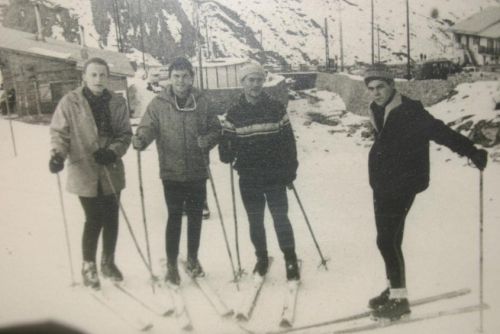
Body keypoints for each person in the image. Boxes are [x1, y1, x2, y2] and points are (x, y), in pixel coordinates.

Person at [363, 64, 488, 320]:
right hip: (382, 183)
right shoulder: (377, 108)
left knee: (386, 240)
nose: (375, 93)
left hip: (403, 183)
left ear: (392, 86)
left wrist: (471, 151)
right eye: (371, 88)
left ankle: (400, 300)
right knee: (390, 239)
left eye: (380, 87)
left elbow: (440, 132)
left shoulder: (410, 111)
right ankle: (394, 289)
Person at [132, 57, 220, 286]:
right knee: (174, 218)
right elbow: (148, 126)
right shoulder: (159, 103)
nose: (181, 81)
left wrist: (208, 140)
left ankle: (192, 258)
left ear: (192, 77)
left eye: (185, 76)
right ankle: (172, 264)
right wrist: (141, 139)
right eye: (176, 76)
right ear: (169, 78)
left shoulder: (203, 101)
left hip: (197, 170)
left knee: (195, 217)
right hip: (171, 171)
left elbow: (215, 128)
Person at [49, 57, 132, 290]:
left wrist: (113, 152)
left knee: (112, 218)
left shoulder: (117, 102)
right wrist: (57, 155)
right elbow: (59, 133)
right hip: (83, 169)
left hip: (110, 169)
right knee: (94, 218)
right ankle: (89, 266)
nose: (98, 79)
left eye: (102, 75)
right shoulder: (70, 102)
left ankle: (108, 262)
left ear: (108, 77)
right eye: (93, 75)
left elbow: (125, 135)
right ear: (84, 77)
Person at [219, 62, 300, 281]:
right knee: (255, 221)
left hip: (275, 175)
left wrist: (290, 170)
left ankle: (291, 259)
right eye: (250, 80)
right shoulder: (234, 114)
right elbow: (225, 154)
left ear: (263, 82)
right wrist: (225, 144)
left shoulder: (276, 108)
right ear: (242, 83)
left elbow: (288, 143)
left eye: (258, 80)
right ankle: (262, 258)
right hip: (249, 177)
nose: (255, 85)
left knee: (280, 219)